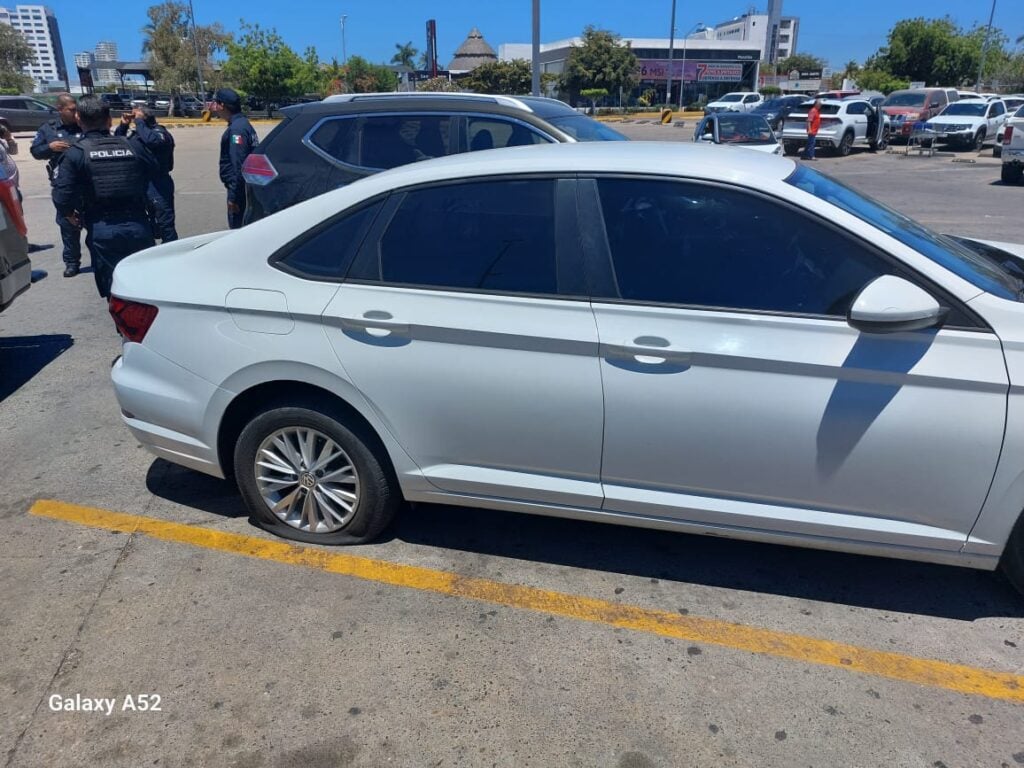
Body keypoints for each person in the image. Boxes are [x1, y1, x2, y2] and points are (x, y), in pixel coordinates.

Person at [52, 95, 158, 299]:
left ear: (79, 119)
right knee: (146, 286)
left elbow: (62, 194)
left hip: (103, 228)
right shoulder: (133, 146)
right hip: (138, 223)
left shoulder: (76, 153)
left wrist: (68, 214)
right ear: (109, 120)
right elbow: (155, 170)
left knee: (115, 290)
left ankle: (124, 328)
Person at [31, 93, 85, 277]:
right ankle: (72, 262)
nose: (75, 112)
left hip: (87, 185)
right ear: (60, 109)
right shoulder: (49, 129)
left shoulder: (85, 125)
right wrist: (49, 148)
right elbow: (35, 151)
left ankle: (100, 258)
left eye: (76, 109)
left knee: (94, 224)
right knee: (68, 226)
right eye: (72, 109)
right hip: (64, 186)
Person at [115, 105, 177, 242]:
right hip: (139, 183)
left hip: (158, 183)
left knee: (165, 223)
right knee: (143, 223)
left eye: (136, 115)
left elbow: (153, 141)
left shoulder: (159, 132)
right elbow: (117, 144)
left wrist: (139, 121)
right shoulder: (137, 135)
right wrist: (124, 126)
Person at [214, 88, 257, 229]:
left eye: (216, 104)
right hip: (245, 190)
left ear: (222, 105)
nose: (215, 109)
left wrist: (233, 198)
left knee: (238, 229)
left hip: (240, 193)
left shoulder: (237, 130)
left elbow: (239, 166)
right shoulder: (243, 124)